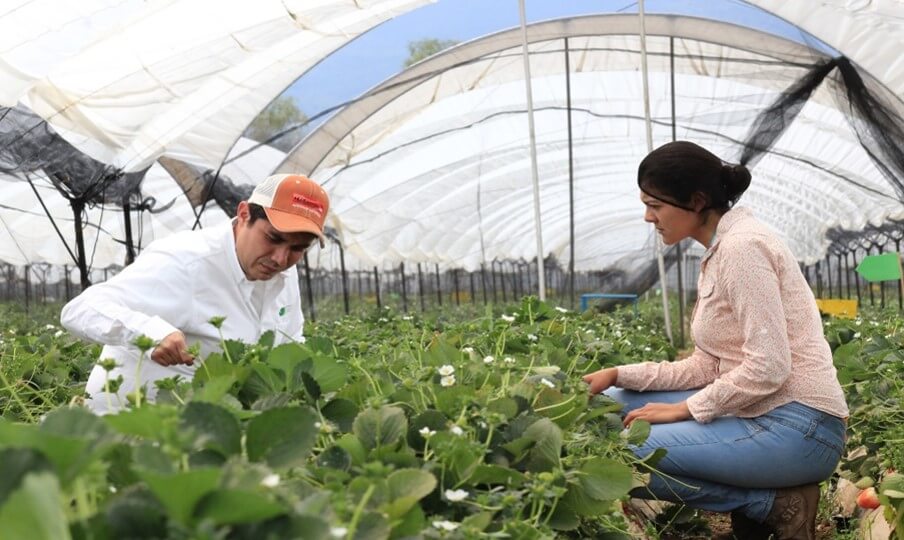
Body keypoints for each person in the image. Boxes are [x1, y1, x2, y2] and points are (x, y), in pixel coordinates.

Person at [582, 141, 848, 540]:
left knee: (621, 451)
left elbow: (770, 366)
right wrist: (619, 374)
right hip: (759, 412)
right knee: (600, 410)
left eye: (655, 204)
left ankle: (772, 506)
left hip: (799, 428)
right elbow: (707, 365)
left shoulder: (743, 249)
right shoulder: (719, 250)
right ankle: (758, 509)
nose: (647, 216)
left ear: (697, 200)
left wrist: (686, 409)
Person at [61, 174, 329, 414]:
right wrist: (148, 332)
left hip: (208, 422)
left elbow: (289, 340)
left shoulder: (282, 272)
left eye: (298, 249)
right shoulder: (186, 262)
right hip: (130, 420)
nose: (281, 258)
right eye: (273, 238)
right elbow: (81, 309)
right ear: (244, 213)